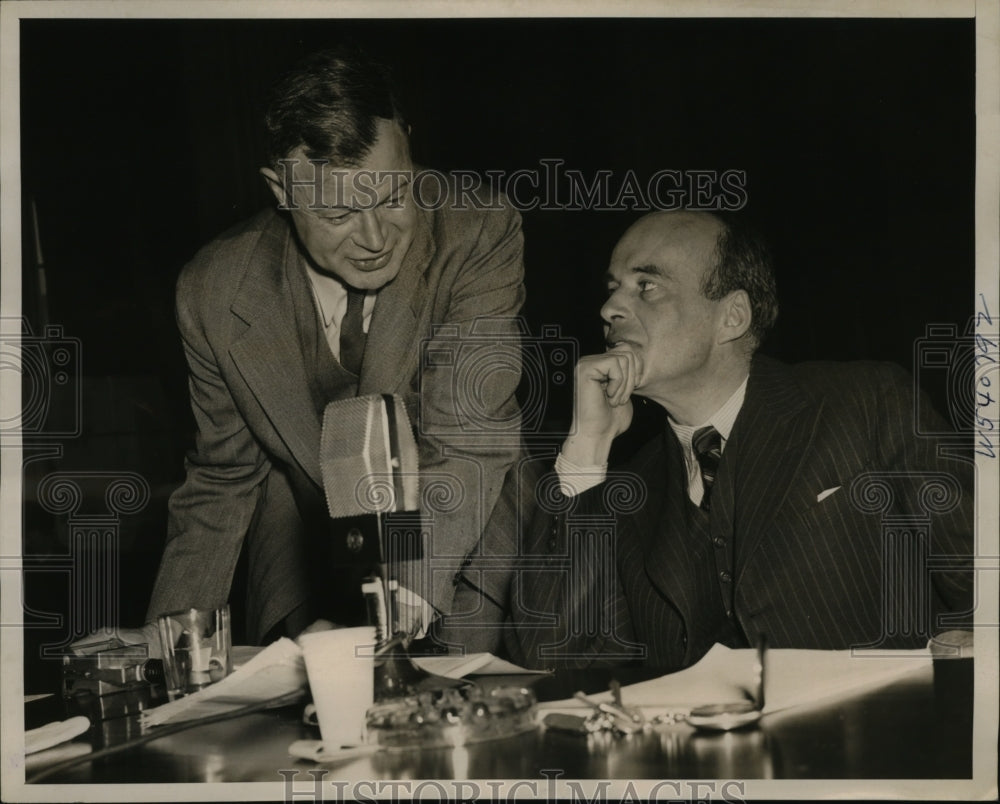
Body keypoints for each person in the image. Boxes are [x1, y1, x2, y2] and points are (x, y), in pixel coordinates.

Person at [114, 47, 525, 651]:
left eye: (392, 196)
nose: (375, 238)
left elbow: (465, 436)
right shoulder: (213, 290)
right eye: (337, 213)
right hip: (309, 546)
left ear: (407, 147)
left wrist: (397, 610)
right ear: (280, 190)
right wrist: (169, 644)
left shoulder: (477, 230)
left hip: (459, 535)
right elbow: (223, 481)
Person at [502, 210, 973, 670]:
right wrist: (586, 448)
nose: (609, 310)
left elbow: (983, 582)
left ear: (732, 316)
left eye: (647, 286)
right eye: (612, 290)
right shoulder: (632, 489)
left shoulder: (866, 403)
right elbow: (550, 658)